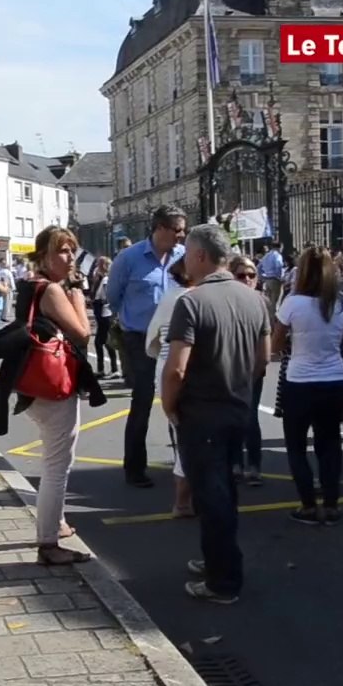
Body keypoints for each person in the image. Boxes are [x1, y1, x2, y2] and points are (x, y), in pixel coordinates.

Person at [160, 223, 270, 604]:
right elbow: (262, 359)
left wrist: (170, 405)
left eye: (187, 252)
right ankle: (216, 561)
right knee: (222, 491)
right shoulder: (254, 299)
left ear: (201, 256)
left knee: (213, 497)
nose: (183, 259)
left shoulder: (190, 302)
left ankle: (224, 581)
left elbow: (175, 369)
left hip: (202, 412)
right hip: (237, 407)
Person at [15, 227, 92, 565]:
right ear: (44, 255)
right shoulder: (52, 291)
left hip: (34, 382)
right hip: (53, 386)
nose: (70, 257)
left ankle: (55, 523)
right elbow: (83, 334)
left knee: (56, 458)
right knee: (57, 465)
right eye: (62, 251)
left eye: (72, 250)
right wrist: (77, 296)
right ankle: (48, 543)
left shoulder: (32, 284)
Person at [273, 247, 343, 525]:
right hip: (334, 378)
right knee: (330, 443)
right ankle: (331, 505)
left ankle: (308, 505)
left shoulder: (293, 304)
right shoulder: (342, 303)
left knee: (296, 446)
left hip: (299, 380)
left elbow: (276, 343)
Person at [106, 204, 187, 488]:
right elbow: (113, 297)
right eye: (177, 230)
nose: (181, 236)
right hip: (139, 338)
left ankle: (183, 467)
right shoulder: (129, 258)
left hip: (175, 337)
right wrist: (130, 323)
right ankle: (135, 468)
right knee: (142, 401)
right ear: (160, 228)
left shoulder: (183, 256)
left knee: (179, 400)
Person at [145, 263, 195, 517]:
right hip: (184, 370)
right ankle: (183, 501)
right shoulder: (189, 298)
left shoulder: (169, 297)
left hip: (166, 368)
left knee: (182, 435)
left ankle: (184, 501)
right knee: (189, 437)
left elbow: (151, 340)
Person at [228, 255, 268, 486]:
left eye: (251, 275)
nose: (247, 279)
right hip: (230, 366)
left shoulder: (262, 301)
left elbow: (268, 338)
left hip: (253, 367)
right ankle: (235, 463)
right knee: (232, 417)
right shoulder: (227, 300)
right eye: (241, 275)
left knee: (250, 416)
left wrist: (258, 367)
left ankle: (254, 465)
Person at [93, 266, 119, 379]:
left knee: (103, 342)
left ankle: (109, 369)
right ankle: (104, 369)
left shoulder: (105, 280)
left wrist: (100, 301)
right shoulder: (104, 280)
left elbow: (106, 296)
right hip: (104, 313)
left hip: (105, 313)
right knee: (104, 342)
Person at [258, 240, 285, 313]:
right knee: (276, 302)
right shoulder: (277, 255)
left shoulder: (266, 255)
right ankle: (274, 319)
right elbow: (278, 266)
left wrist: (261, 277)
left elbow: (259, 267)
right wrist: (280, 277)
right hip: (275, 280)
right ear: (280, 247)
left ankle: (269, 318)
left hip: (267, 280)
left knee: (269, 302)